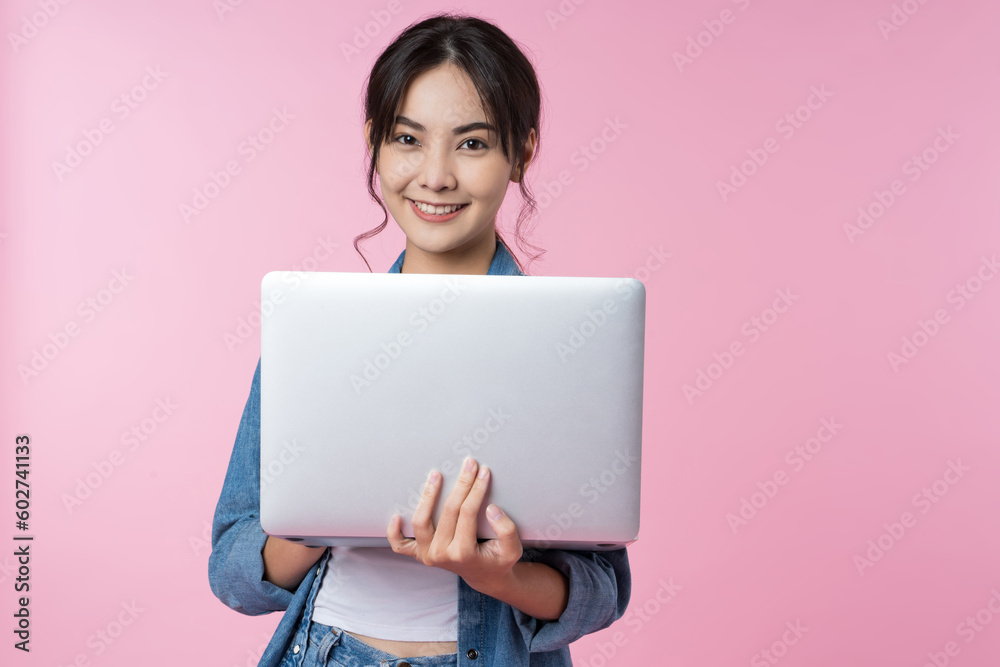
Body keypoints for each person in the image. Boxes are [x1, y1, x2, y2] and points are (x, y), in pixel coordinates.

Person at [209, 13, 631, 667]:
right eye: (408, 138)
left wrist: (503, 578)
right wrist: (324, 520)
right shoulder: (316, 336)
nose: (434, 175)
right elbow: (231, 568)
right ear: (376, 144)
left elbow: (603, 588)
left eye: (471, 144)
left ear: (522, 150)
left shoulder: (564, 343)